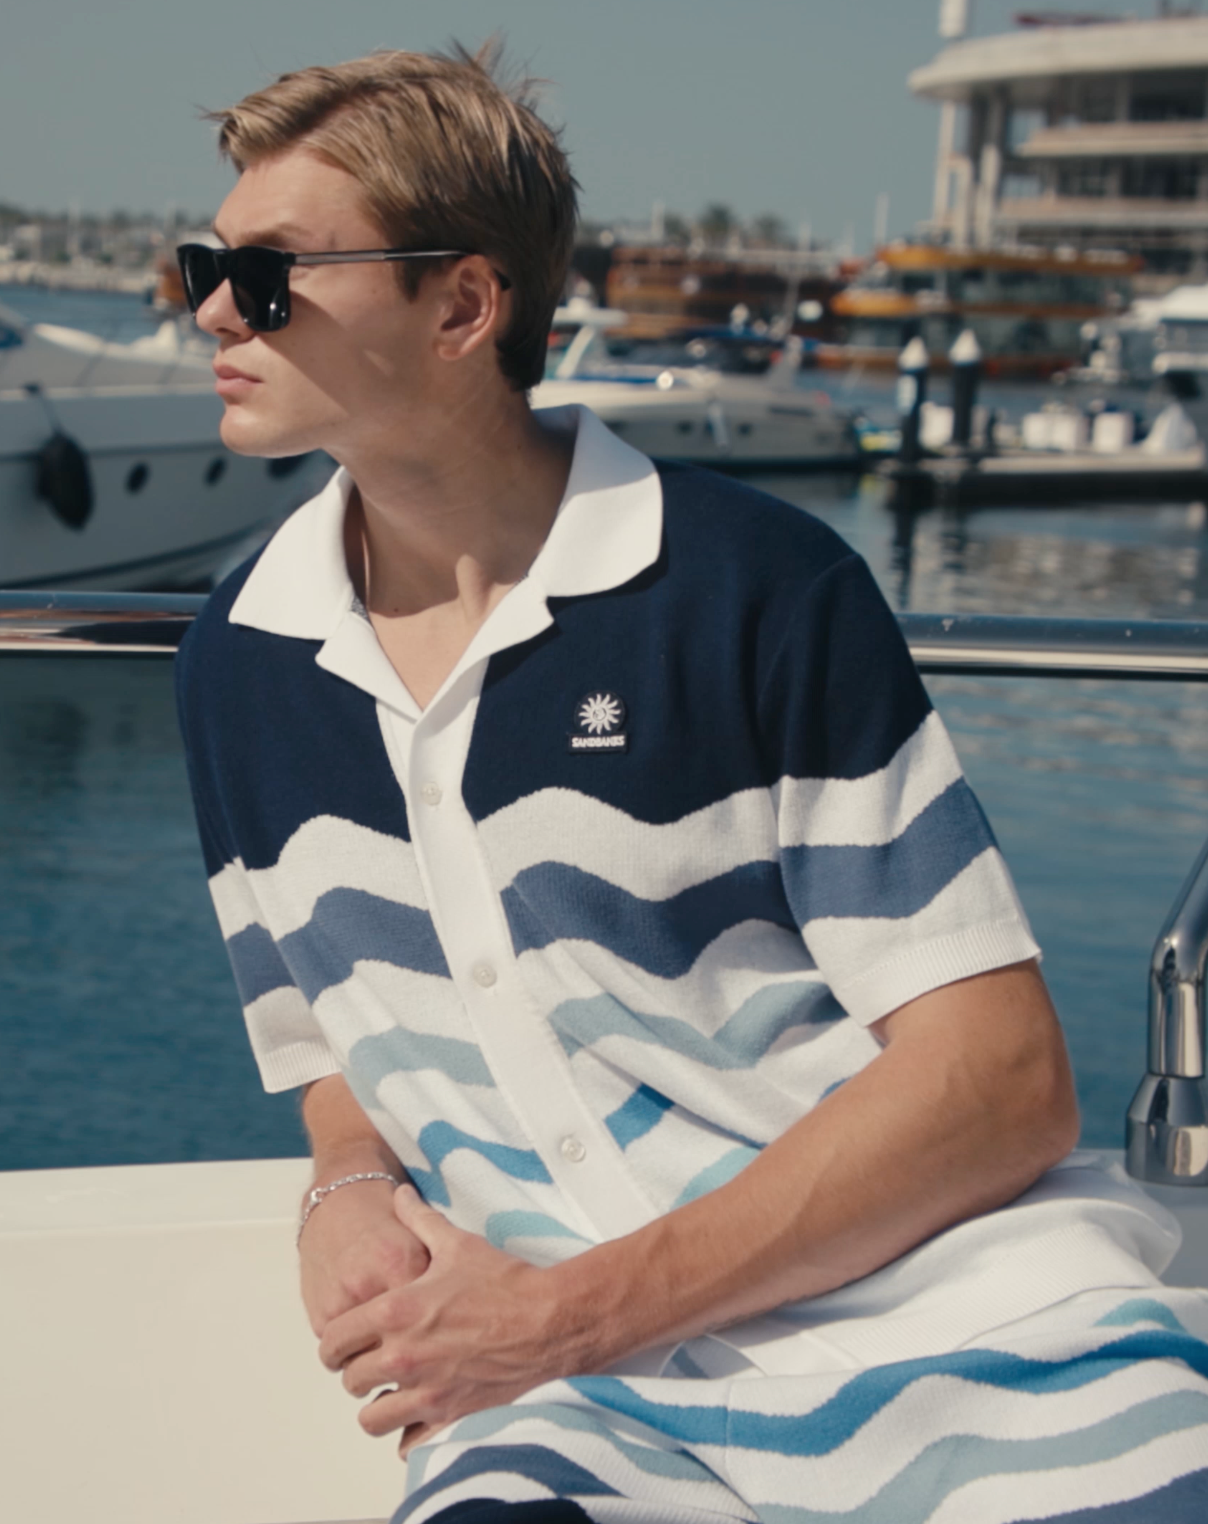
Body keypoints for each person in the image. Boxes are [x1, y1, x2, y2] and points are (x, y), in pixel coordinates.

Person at [175, 42, 1208, 1524]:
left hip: (963, 1326)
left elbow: (1001, 1084)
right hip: (558, 1399)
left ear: (464, 304)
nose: (215, 306)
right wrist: (346, 1184)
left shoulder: (755, 591)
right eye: (206, 263)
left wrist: (574, 1312)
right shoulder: (238, 666)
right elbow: (334, 1038)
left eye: (270, 275)